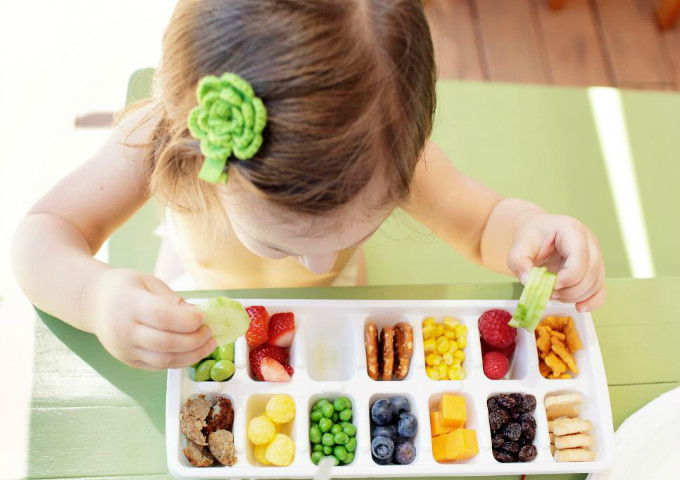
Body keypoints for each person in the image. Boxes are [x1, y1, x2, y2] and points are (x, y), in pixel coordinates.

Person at [12, 0, 605, 371]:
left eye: (357, 232)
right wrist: (97, 298)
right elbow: (42, 235)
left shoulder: (386, 146)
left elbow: (482, 223)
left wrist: (529, 230)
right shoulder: (159, 139)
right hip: (197, 285)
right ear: (202, 151)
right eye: (282, 243)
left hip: (340, 306)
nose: (321, 261)